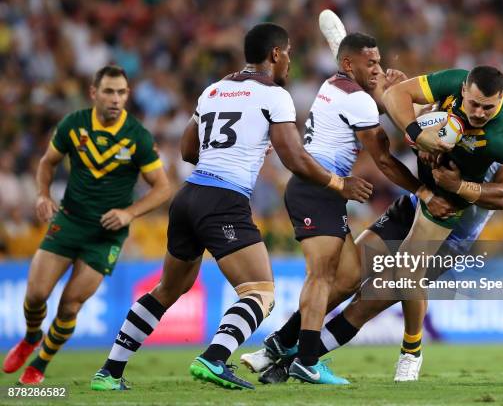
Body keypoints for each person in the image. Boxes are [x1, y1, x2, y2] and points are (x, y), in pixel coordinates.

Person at [90, 22, 373, 392]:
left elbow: (189, 151)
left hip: (188, 197)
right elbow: (295, 158)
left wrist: (244, 144)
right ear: (275, 54)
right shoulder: (274, 95)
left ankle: (109, 372)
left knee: (167, 289)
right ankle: (214, 357)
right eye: (287, 53)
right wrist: (340, 183)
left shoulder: (214, 89)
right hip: (223, 201)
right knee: (260, 292)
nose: (289, 61)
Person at [242, 75, 503, 385]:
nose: (486, 112)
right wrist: (423, 141)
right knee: (346, 278)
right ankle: (279, 344)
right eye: (481, 105)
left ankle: (402, 353)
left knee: (365, 304)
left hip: (450, 235)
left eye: (496, 107)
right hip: (412, 208)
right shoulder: (457, 116)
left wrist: (458, 185)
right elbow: (417, 121)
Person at [262, 30, 458, 385]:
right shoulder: (358, 100)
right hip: (317, 189)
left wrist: (388, 94)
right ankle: (306, 360)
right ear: (349, 63)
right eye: (371, 63)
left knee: (350, 276)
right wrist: (423, 192)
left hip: (319, 189)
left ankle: (280, 343)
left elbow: (368, 108)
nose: (378, 68)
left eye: (380, 62)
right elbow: (383, 160)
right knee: (322, 276)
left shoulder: (334, 86)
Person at [1, 65, 171, 385]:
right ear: (94, 93)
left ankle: (40, 364)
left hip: (105, 235)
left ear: (128, 95)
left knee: (70, 305)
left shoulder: (137, 137)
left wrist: (129, 213)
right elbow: (47, 163)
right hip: (69, 220)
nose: (116, 99)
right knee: (36, 294)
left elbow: (163, 188)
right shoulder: (74, 124)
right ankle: (30, 336)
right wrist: (41, 195)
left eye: (121, 92)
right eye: (109, 91)